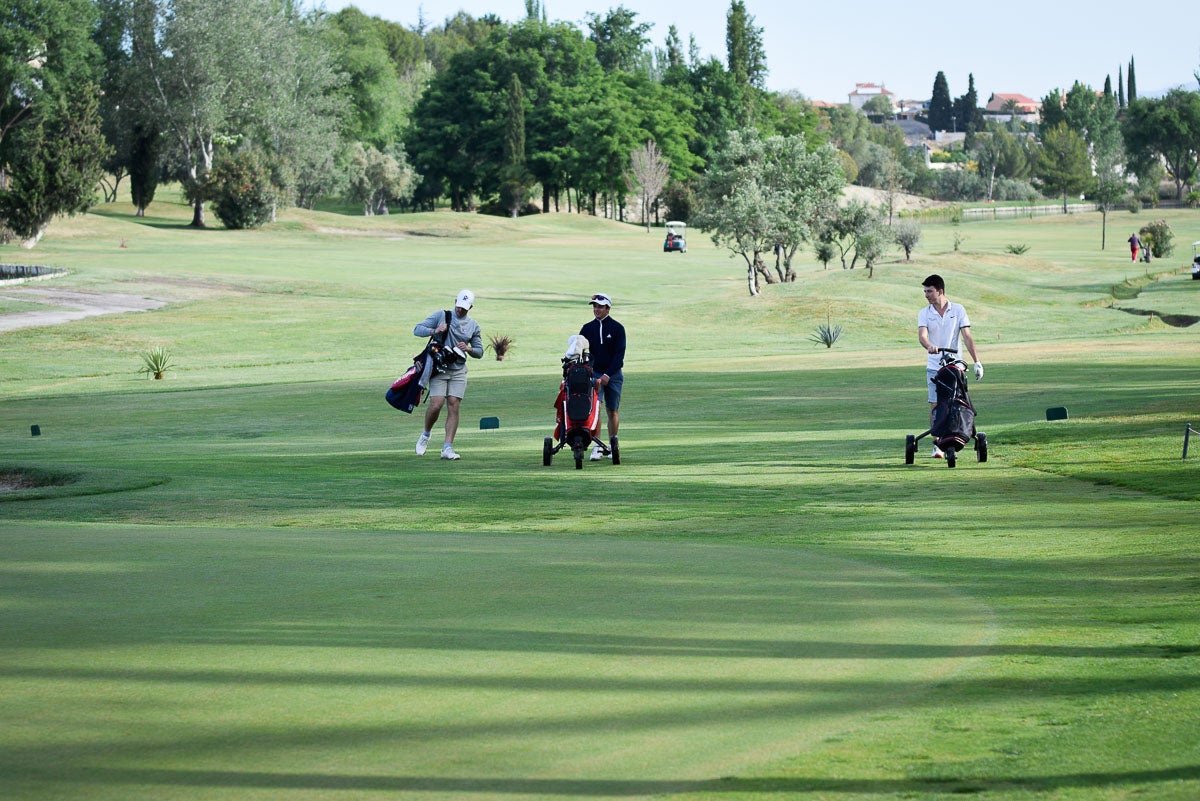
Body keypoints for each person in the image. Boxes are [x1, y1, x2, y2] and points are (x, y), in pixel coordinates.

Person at [412, 289, 483, 460]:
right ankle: (426, 434)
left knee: (454, 405)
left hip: (458, 369)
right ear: (455, 302)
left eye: (464, 308)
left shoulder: (473, 325)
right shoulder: (441, 315)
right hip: (439, 368)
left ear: (470, 307)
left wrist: (469, 349)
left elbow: (479, 352)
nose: (460, 310)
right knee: (436, 404)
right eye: (459, 306)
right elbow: (417, 329)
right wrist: (435, 330)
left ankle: (447, 448)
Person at [917, 274, 982, 459]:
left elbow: (967, 336)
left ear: (940, 291)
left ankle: (956, 436)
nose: (926, 295)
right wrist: (929, 346)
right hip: (934, 367)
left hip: (955, 366)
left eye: (929, 291)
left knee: (957, 402)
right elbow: (922, 335)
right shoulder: (924, 313)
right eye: (925, 291)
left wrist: (977, 361)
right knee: (936, 405)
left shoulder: (958, 310)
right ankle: (937, 444)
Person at [579, 292, 626, 461]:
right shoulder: (587, 328)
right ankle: (598, 446)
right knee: (596, 410)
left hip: (613, 374)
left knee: (612, 410)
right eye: (594, 306)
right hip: (594, 375)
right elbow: (580, 350)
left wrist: (607, 374)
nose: (596, 309)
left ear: (608, 308)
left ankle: (613, 445)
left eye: (600, 306)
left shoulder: (617, 328)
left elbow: (619, 356)